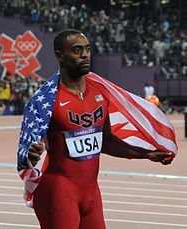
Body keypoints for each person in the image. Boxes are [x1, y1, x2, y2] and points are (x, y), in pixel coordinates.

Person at [17, 29, 177, 229]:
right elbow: (25, 151)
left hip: (92, 193)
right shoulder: (45, 101)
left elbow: (106, 141)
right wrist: (31, 157)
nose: (85, 55)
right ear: (60, 56)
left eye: (87, 49)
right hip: (59, 190)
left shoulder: (100, 91)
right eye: (77, 50)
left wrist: (147, 154)